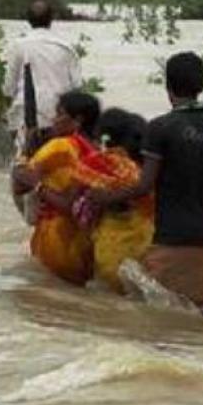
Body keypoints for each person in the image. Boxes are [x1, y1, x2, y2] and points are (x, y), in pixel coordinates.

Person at [87, 53, 203, 312]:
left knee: (160, 326)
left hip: (171, 241)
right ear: (202, 85)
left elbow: (144, 186)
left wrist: (104, 197)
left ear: (168, 87)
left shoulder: (160, 128)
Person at [11, 91, 102, 285]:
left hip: (57, 238)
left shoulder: (59, 147)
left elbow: (20, 185)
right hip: (89, 243)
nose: (54, 119)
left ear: (77, 120)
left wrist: (25, 157)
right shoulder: (98, 150)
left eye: (59, 114)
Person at [73, 108, 154, 295]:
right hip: (147, 245)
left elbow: (77, 203)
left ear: (103, 137)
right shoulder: (149, 169)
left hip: (112, 247)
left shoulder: (100, 163)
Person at [2, 0, 83, 153]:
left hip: (26, 117)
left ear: (28, 20)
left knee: (24, 161)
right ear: (51, 20)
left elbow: (8, 88)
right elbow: (77, 87)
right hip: (59, 118)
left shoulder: (18, 46)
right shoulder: (66, 48)